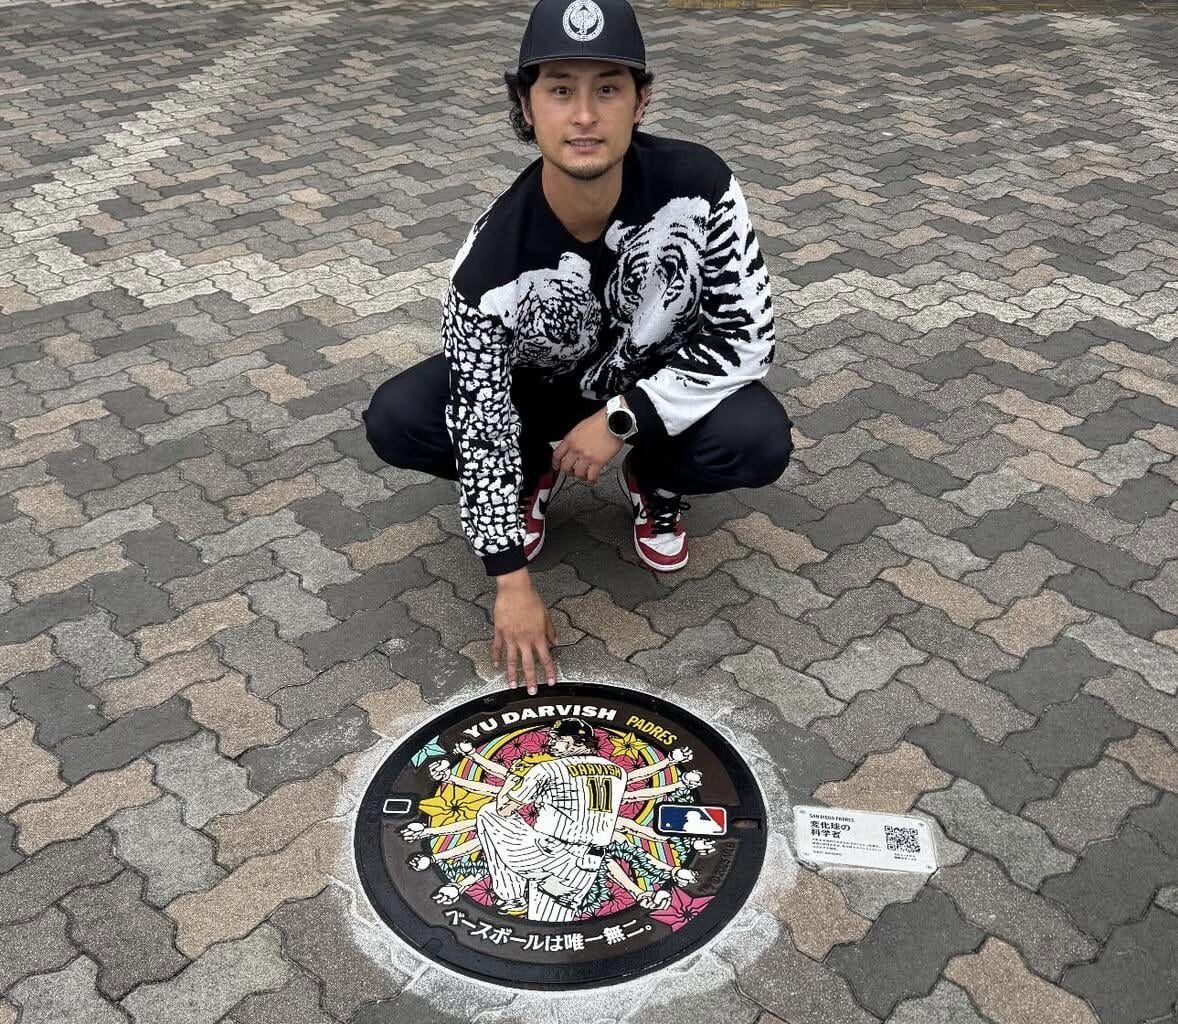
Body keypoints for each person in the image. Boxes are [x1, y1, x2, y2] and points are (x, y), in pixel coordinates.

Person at [363, 0, 793, 696]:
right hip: (538, 396)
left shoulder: (703, 186)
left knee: (758, 438)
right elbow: (479, 422)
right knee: (400, 416)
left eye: (608, 88)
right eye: (561, 88)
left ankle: (654, 480)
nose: (585, 115)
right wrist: (508, 582)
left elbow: (748, 338)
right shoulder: (484, 267)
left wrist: (623, 420)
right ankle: (536, 472)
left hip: (649, 385)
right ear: (527, 106)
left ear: (641, 101)